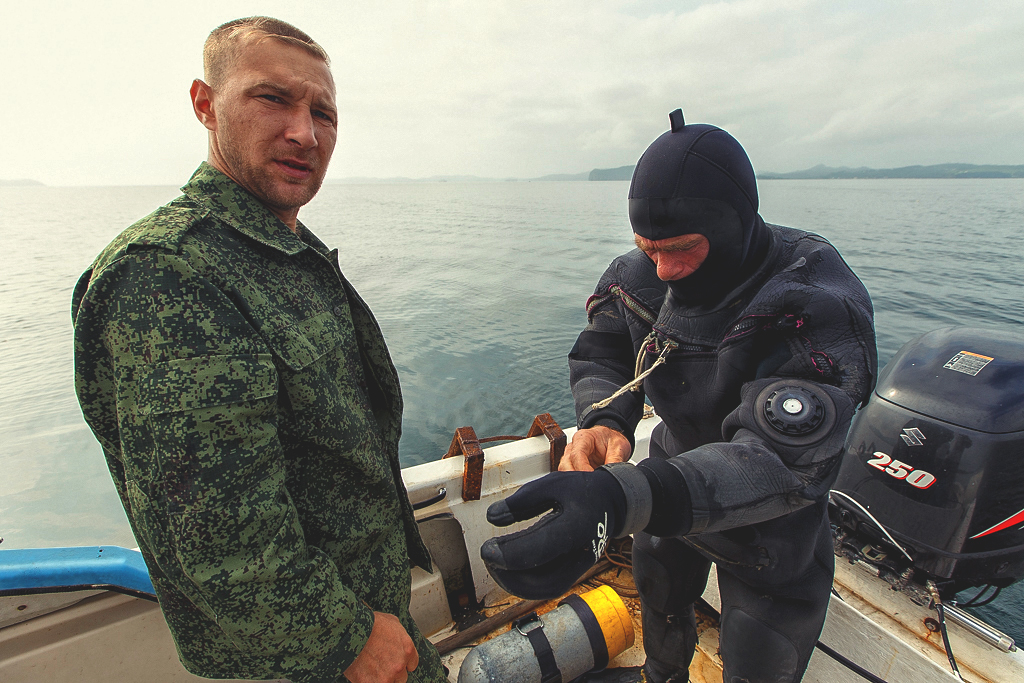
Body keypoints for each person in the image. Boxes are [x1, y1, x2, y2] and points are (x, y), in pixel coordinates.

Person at [72, 17, 446, 683]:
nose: (305, 131)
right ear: (204, 103)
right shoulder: (169, 272)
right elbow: (219, 536)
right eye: (272, 98)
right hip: (317, 655)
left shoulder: (279, 252)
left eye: (323, 111)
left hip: (369, 619)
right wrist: (349, 637)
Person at [481, 110, 876, 682]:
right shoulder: (638, 274)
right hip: (668, 478)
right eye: (649, 248)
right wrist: (605, 417)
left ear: (735, 225)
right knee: (660, 604)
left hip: (768, 521)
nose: (664, 270)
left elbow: (779, 460)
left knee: (759, 654)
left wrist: (626, 498)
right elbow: (601, 351)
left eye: (682, 249)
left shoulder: (812, 299)